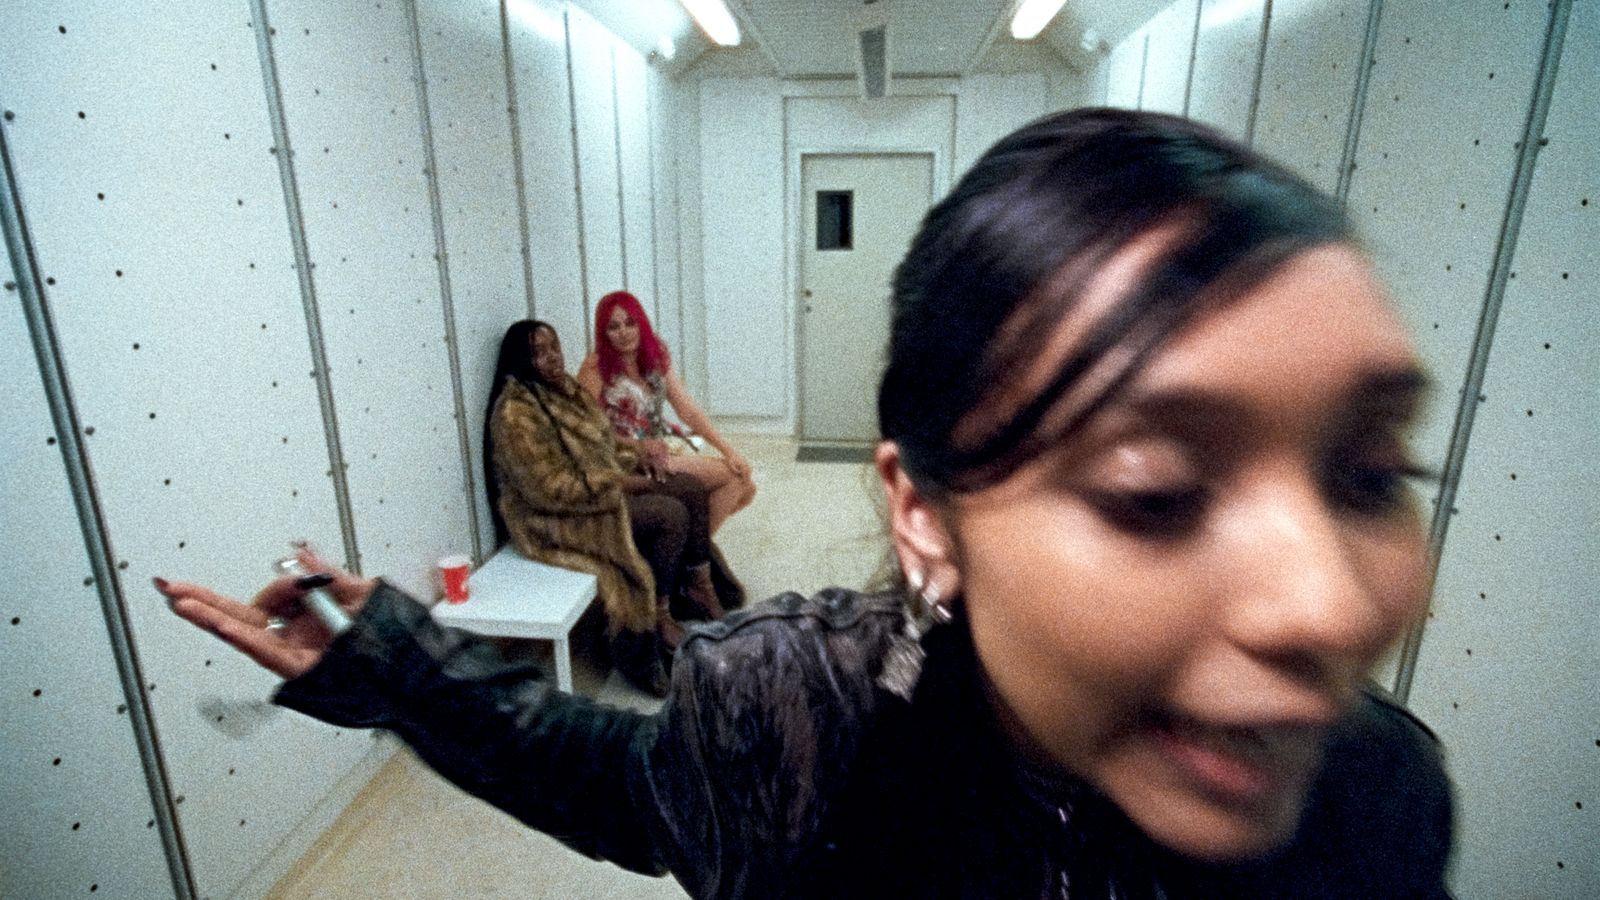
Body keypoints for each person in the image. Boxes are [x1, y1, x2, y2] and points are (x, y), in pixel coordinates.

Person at [158, 109, 1452, 897]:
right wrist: (396, 659)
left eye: (1370, 477)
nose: (1331, 605)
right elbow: (627, 785)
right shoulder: (787, 708)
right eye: (1158, 488)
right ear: (927, 516)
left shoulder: (1375, 803)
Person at [482, 320, 733, 695]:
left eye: (555, 346)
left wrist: (639, 453)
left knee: (691, 488)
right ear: (521, 359)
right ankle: (657, 618)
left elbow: (605, 443)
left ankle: (698, 586)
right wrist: (618, 483)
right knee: (669, 514)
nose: (552, 357)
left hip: (595, 495)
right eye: (539, 351)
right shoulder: (515, 414)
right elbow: (547, 490)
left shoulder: (565, 388)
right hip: (556, 519)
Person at [577, 290, 756, 535]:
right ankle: (696, 558)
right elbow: (584, 427)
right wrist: (636, 446)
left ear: (641, 322)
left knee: (747, 488)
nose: (624, 333)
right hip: (626, 456)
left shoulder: (655, 353)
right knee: (732, 479)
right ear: (604, 333)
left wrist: (729, 450)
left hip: (660, 444)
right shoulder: (595, 366)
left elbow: (687, 409)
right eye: (613, 327)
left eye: (630, 323)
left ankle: (691, 545)